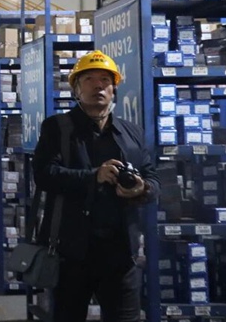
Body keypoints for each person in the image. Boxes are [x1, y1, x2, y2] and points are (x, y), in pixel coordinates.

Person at [32, 51, 160, 322]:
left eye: (105, 80)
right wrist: (94, 176)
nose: (98, 86)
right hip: (71, 252)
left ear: (114, 89)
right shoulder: (57, 128)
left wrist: (141, 188)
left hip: (120, 253)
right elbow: (44, 175)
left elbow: (152, 177)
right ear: (76, 89)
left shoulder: (131, 132)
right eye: (89, 79)